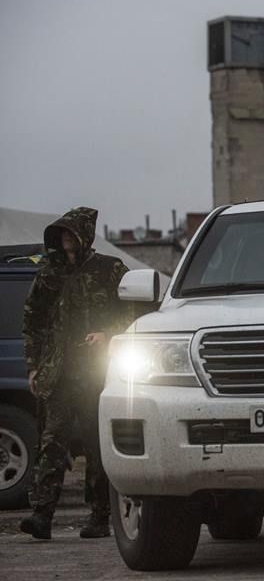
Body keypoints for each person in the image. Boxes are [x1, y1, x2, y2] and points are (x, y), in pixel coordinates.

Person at [19, 207, 133, 540]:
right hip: (59, 372)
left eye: (71, 234)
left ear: (84, 235)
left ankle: (99, 517)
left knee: (98, 446)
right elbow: (32, 320)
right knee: (52, 442)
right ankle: (41, 516)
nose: (66, 240)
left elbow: (135, 312)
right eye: (62, 235)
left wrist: (108, 334)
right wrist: (34, 366)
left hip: (98, 373)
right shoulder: (49, 273)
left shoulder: (109, 270)